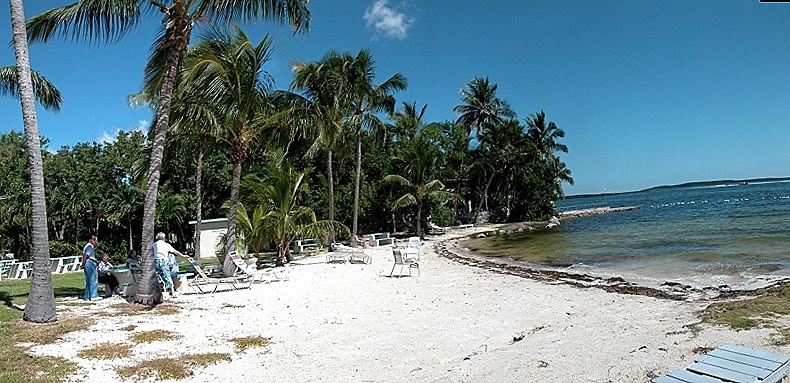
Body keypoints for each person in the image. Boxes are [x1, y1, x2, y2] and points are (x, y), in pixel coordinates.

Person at [153, 232, 190, 298]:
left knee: (157, 276)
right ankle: (172, 292)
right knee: (167, 275)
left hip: (155, 261)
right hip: (163, 261)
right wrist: (183, 256)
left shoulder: (154, 244)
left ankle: (158, 291)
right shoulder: (166, 245)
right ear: (163, 238)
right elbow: (175, 252)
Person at [79, 235, 99, 301]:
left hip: (89, 263)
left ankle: (87, 296)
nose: (97, 242)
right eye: (96, 240)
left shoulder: (88, 246)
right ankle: (93, 296)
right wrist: (83, 264)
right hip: (90, 263)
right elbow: (85, 256)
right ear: (92, 240)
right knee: (93, 280)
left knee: (89, 280)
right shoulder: (89, 247)